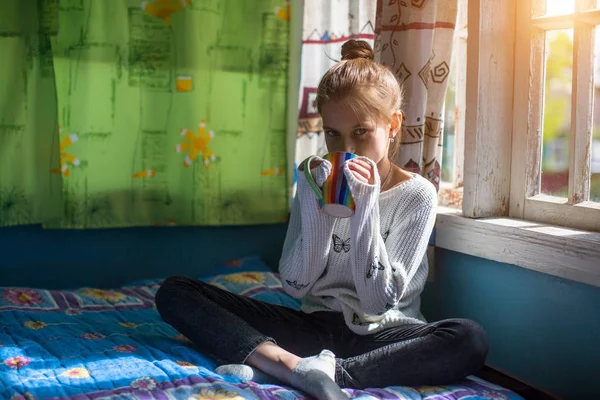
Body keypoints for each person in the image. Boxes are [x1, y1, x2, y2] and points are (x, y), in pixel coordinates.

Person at [155, 40, 488, 400]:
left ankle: (330, 373)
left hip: (383, 337)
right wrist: (319, 211)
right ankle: (286, 364)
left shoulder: (417, 194)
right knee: (176, 292)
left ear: (392, 126)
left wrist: (365, 209)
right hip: (313, 327)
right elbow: (296, 286)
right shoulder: (314, 181)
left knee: (469, 338)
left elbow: (377, 303)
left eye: (361, 132)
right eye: (333, 134)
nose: (347, 148)